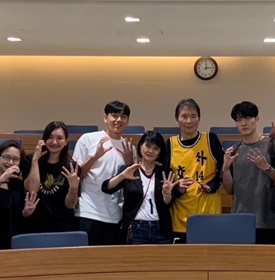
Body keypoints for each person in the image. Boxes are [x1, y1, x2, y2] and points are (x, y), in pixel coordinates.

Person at [72, 101, 136, 245]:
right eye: (114, 115)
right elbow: (77, 175)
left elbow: (130, 184)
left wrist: (129, 162)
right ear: (105, 118)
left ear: (127, 121)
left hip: (115, 215)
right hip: (88, 211)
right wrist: (95, 156)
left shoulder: (129, 148)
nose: (118, 120)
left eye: (123, 116)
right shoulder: (88, 139)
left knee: (110, 258)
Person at [160, 98, 224, 242]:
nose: (189, 121)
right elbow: (164, 179)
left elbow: (223, 169)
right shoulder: (170, 144)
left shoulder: (210, 139)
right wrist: (177, 189)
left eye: (193, 116)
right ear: (177, 120)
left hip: (209, 213)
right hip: (179, 216)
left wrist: (212, 186)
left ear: (199, 119)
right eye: (184, 116)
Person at [101, 131, 178, 244]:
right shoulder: (130, 170)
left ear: (160, 152)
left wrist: (166, 193)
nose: (151, 151)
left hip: (161, 229)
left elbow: (168, 204)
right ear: (140, 146)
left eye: (156, 148)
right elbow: (106, 188)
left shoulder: (165, 172)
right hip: (136, 229)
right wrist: (122, 176)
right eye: (148, 146)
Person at [222, 101, 275, 244]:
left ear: (257, 119)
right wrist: (225, 169)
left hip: (269, 220)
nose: (243, 123)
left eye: (248, 118)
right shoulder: (233, 151)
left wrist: (266, 167)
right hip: (240, 219)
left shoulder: (273, 146)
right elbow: (229, 190)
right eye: (238, 120)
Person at [0, 140, 39, 249]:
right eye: (6, 157)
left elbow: (18, 214)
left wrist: (25, 213)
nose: (10, 162)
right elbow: (2, 207)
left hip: (14, 242)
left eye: (15, 159)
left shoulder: (18, 184)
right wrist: (3, 181)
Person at [24, 121, 80, 233]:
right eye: (50, 137)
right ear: (44, 140)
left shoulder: (72, 167)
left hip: (62, 226)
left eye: (59, 138)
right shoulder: (30, 160)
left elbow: (70, 205)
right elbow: (32, 190)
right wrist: (35, 161)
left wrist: (73, 189)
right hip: (34, 224)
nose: (54, 142)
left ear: (66, 141)